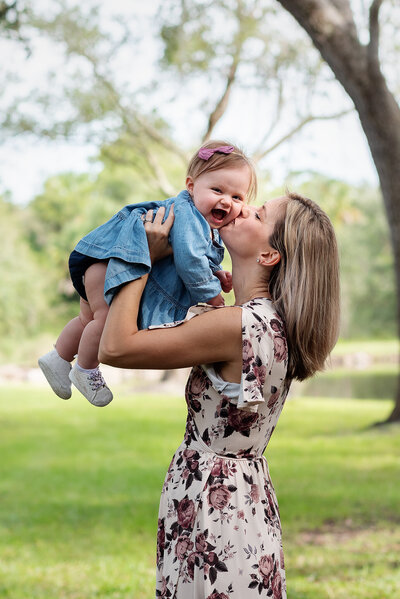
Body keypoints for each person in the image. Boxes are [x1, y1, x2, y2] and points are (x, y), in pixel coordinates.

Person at [98, 192, 340, 599]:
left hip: (215, 508)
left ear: (268, 256)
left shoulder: (237, 326)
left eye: (259, 214)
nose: (243, 207)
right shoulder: (272, 323)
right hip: (245, 501)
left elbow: (115, 347)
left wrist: (141, 257)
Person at [38, 140, 257, 408]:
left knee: (88, 319)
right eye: (217, 190)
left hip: (104, 262)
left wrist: (216, 273)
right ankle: (85, 370)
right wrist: (211, 294)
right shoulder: (190, 215)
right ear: (191, 186)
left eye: (237, 197)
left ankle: (58, 357)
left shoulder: (202, 224)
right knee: (105, 319)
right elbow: (189, 260)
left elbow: (193, 258)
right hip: (113, 265)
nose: (226, 201)